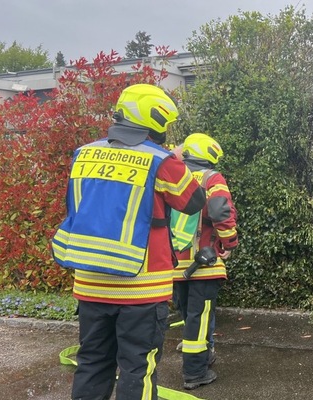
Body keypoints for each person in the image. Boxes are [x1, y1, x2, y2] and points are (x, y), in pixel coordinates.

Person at [51, 83, 206, 400]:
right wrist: (174, 159)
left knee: (92, 363)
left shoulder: (83, 154)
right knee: (137, 369)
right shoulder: (160, 161)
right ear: (155, 119)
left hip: (91, 285)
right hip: (142, 289)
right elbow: (193, 201)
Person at [170, 133, 238, 390]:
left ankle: (202, 356)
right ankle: (195, 373)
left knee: (189, 316)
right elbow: (221, 209)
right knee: (199, 320)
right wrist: (229, 242)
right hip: (203, 265)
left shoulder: (174, 177)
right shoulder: (212, 178)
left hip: (175, 265)